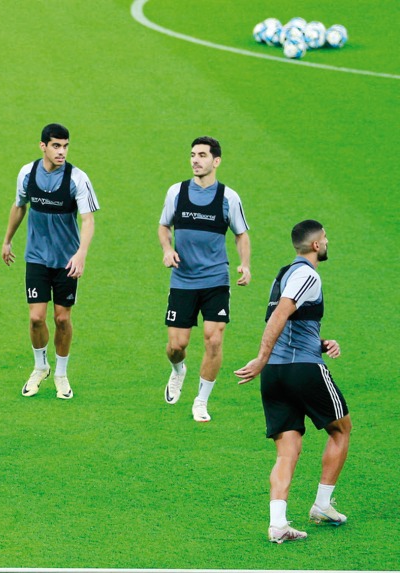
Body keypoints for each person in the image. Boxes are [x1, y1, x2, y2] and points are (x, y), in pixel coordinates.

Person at [236, 220, 349, 545]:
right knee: (341, 429)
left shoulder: (284, 273)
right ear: (315, 245)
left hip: (276, 373)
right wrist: (259, 357)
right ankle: (323, 505)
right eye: (325, 238)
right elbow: (280, 315)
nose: (327, 242)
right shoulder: (307, 275)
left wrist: (321, 340)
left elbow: (289, 323)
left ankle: (278, 524)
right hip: (301, 368)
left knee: (287, 451)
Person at [2, 123, 99, 400]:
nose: (62, 152)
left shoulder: (77, 178)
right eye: (56, 146)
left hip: (66, 261)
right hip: (36, 258)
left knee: (62, 319)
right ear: (42, 146)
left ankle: (61, 373)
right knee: (35, 318)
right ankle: (40, 366)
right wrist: (7, 240)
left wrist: (81, 254)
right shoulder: (27, 173)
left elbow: (88, 219)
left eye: (66, 146)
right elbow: (19, 205)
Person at [158, 136, 251, 422]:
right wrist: (167, 248)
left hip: (215, 280)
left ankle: (201, 400)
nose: (195, 160)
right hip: (183, 280)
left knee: (213, 340)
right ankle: (178, 371)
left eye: (202, 155)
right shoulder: (177, 192)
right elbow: (164, 226)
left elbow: (241, 234)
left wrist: (245, 265)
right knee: (176, 346)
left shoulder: (228, 198)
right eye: (192, 155)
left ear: (216, 161)